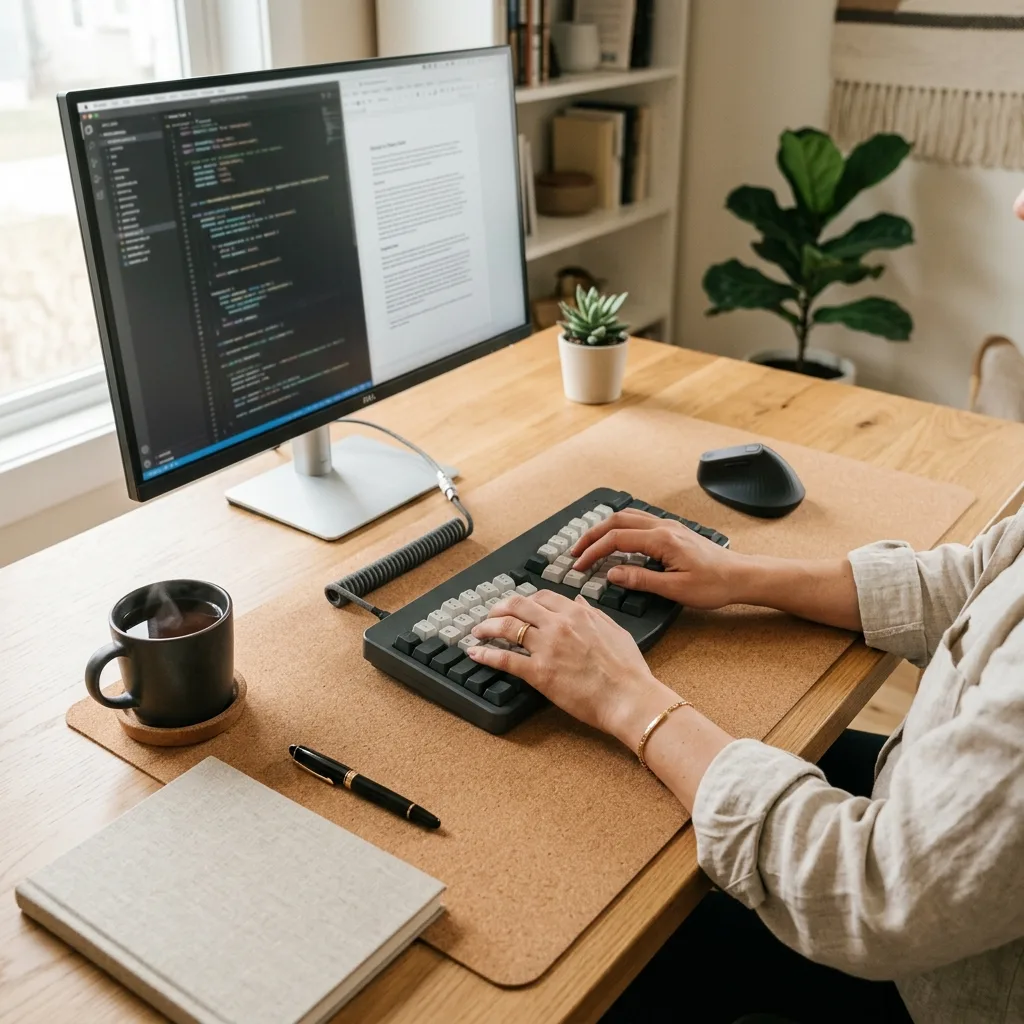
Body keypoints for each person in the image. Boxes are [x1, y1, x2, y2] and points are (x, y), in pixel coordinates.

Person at [463, 191, 1024, 1024]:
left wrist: (627, 696)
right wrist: (741, 575)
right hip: (934, 858)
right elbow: (984, 576)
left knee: (588, 934)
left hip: (925, 989)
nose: (1016, 203)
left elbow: (873, 894)